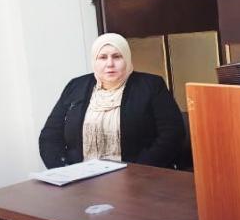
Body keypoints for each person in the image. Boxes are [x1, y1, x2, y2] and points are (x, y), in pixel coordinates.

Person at [39, 33, 185, 169]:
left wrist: (138, 171)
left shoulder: (151, 85)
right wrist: (63, 169)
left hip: (137, 176)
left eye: (117, 56)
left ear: (127, 58)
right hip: (81, 176)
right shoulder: (76, 86)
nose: (110, 64)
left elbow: (172, 134)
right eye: (102, 57)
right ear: (94, 60)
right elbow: (50, 135)